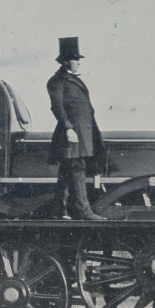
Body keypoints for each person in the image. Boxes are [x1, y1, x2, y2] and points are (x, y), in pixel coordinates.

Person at [46, 37, 106, 220]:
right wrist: (68, 128)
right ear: (65, 61)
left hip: (82, 132)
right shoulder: (57, 81)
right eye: (75, 59)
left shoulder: (71, 79)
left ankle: (59, 210)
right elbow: (57, 106)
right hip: (73, 133)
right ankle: (83, 210)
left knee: (67, 171)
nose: (79, 63)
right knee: (77, 169)